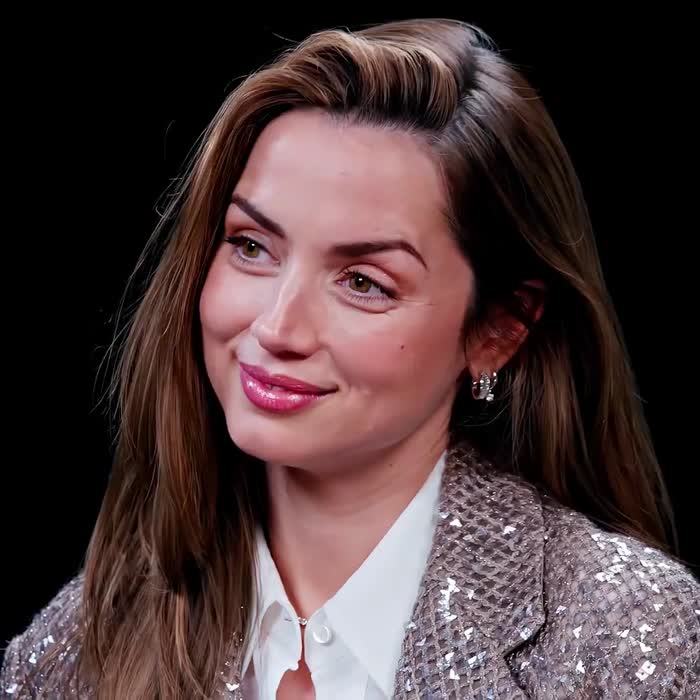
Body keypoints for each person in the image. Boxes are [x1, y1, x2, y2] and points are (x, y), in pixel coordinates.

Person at [2, 17, 698, 700]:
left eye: (363, 282)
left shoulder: (623, 634)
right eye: (251, 246)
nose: (277, 327)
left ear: (497, 331)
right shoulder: (70, 653)